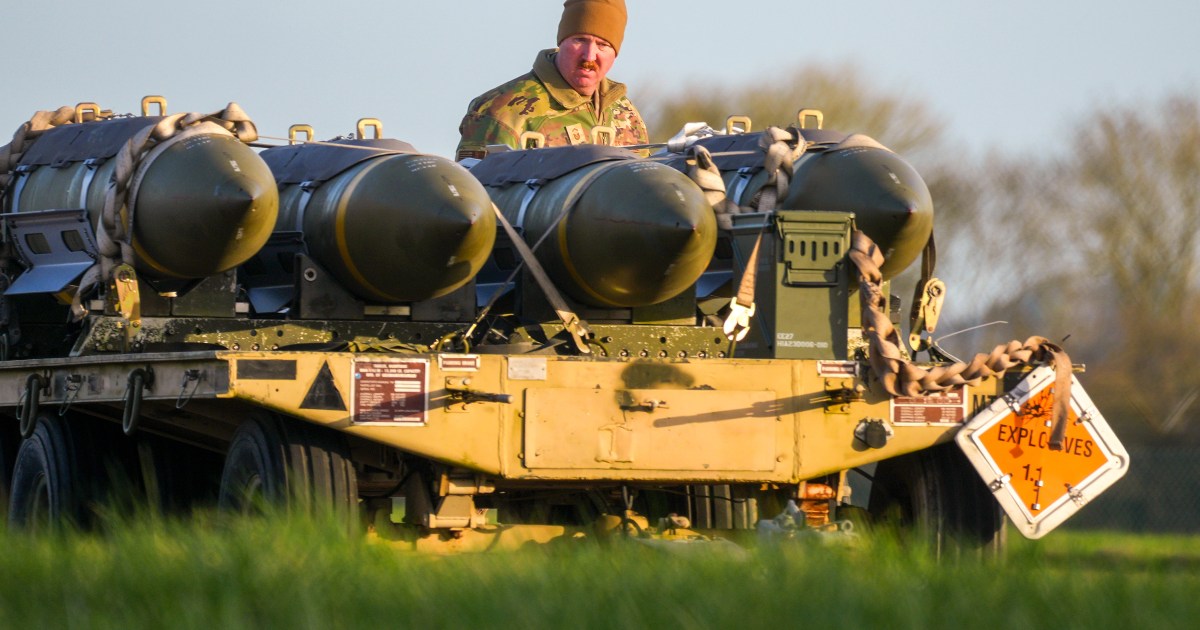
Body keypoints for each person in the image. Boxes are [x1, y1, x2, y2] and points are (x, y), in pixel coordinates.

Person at [455, 0, 649, 160]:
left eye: (602, 45)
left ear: (615, 53)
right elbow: (474, 191)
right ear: (561, 41)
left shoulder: (626, 114)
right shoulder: (500, 111)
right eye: (580, 40)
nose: (589, 56)